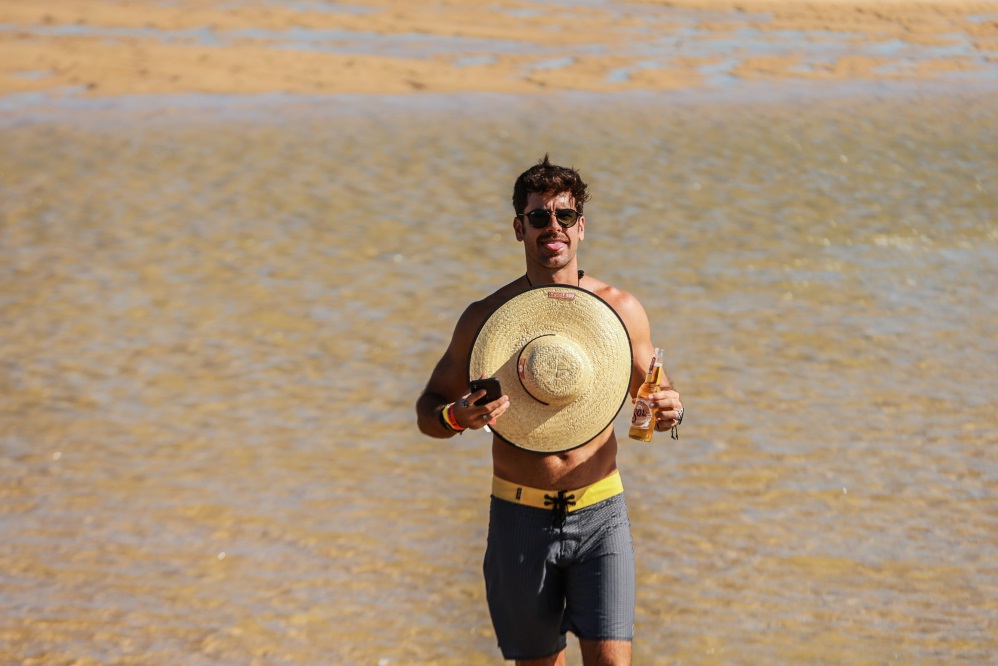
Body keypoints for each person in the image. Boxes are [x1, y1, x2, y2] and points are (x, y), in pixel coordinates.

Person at [416, 155, 683, 666]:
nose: (552, 227)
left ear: (581, 226)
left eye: (564, 216)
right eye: (539, 217)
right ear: (520, 228)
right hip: (519, 516)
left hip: (602, 513)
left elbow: (658, 395)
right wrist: (456, 417)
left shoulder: (620, 311)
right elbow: (429, 411)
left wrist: (672, 411)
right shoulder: (484, 319)